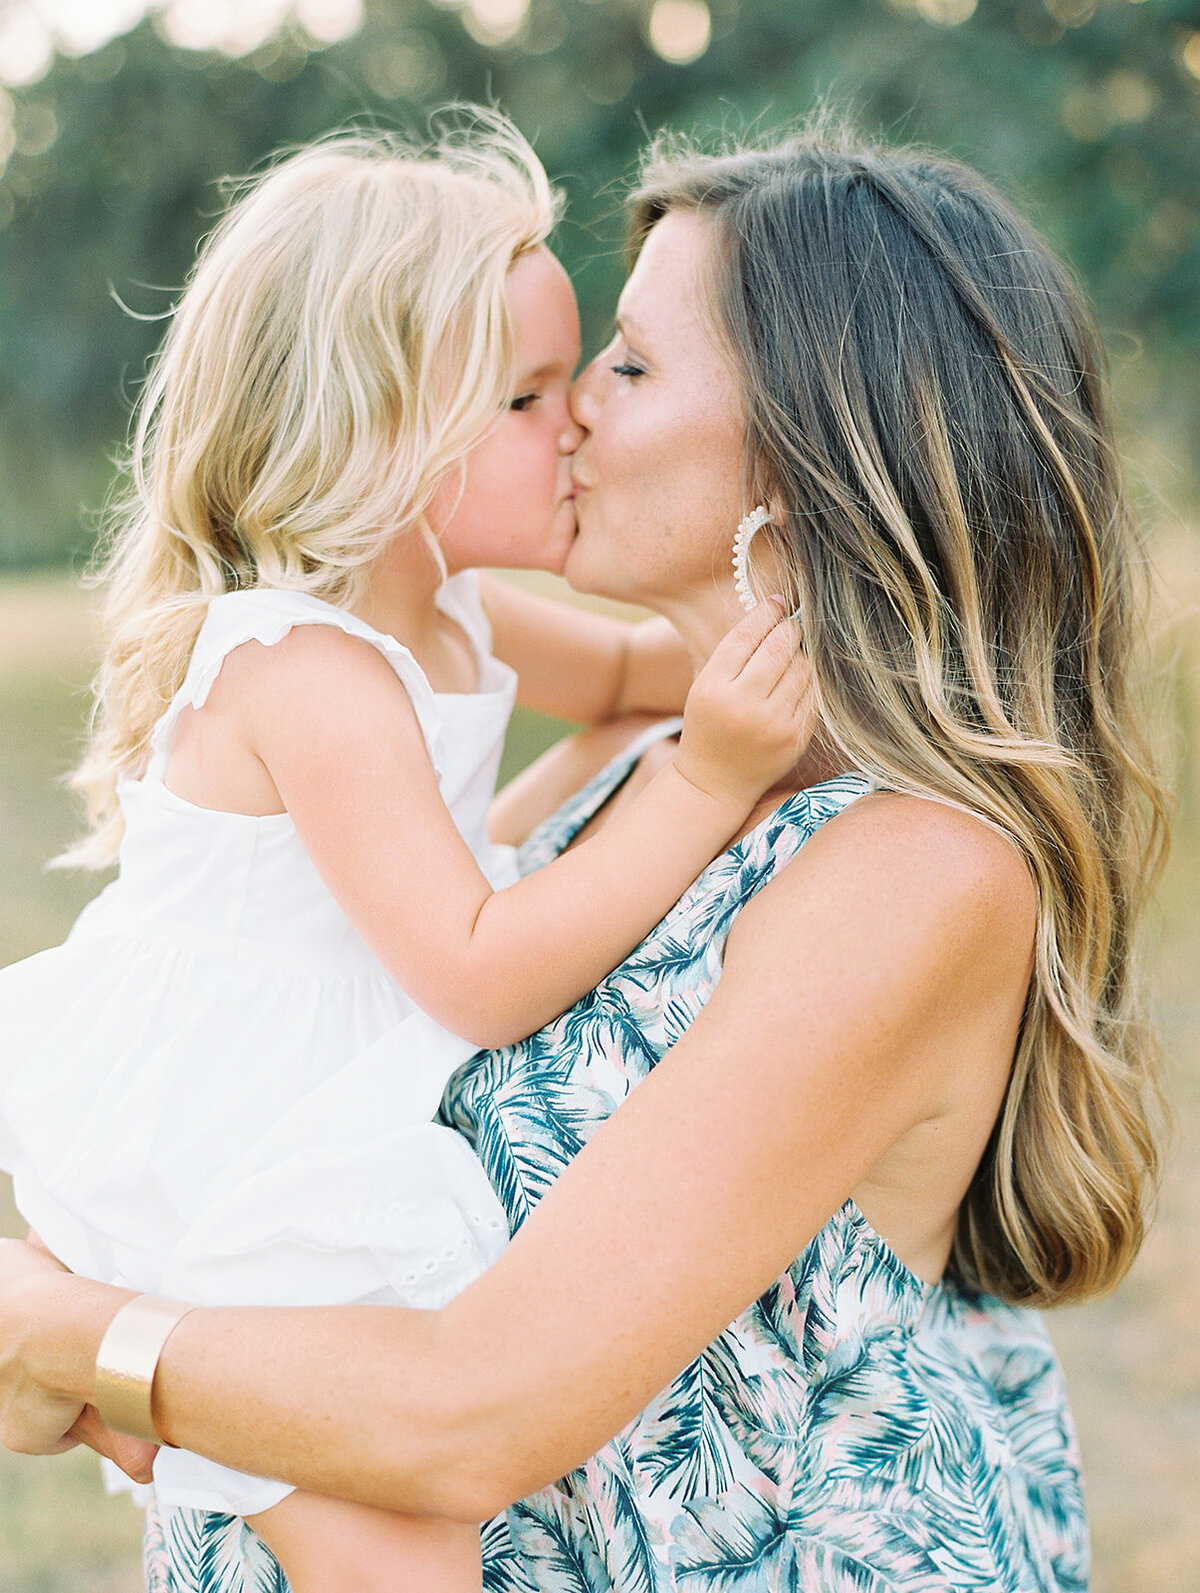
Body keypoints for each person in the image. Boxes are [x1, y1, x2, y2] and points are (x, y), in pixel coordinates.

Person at [0, 124, 1168, 1593]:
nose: (570, 421)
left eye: (622, 365)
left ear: (807, 453)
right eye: (539, 384)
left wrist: (64, 1326)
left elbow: (467, 1412)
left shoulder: (909, 867)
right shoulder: (636, 777)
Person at [0, 119, 811, 1593]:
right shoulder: (310, 670)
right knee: (406, 1552)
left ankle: (143, 1413)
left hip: (328, 1079)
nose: (573, 424)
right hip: (225, 1126)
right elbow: (481, 974)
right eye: (523, 397)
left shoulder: (455, 612)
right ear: (371, 432)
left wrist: (772, 573)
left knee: (400, 1518)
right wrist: (708, 781)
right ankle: (121, 1372)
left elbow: (643, 674)